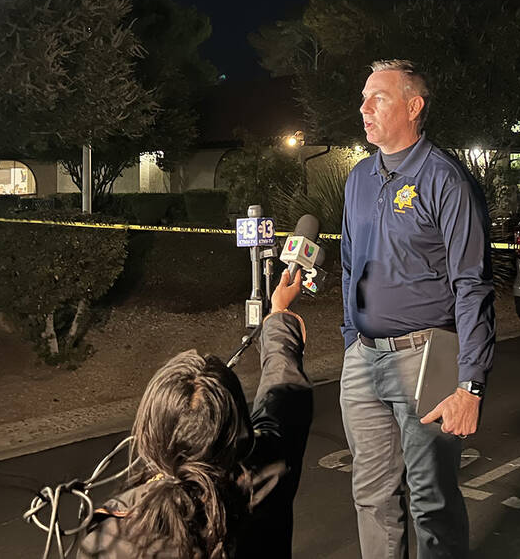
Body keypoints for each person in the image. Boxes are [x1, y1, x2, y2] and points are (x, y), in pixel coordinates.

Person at [340, 59, 496, 558]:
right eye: (364, 97)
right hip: (362, 360)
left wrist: (469, 384)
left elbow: (472, 285)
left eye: (378, 97)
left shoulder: (446, 180)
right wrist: (350, 340)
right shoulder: (359, 180)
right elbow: (349, 265)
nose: (363, 108)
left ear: (413, 106)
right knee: (371, 496)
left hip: (425, 359)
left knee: (432, 500)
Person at [78, 268, 313, 559]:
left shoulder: (113, 528)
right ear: (235, 428)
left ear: (152, 430)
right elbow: (283, 396)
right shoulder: (267, 470)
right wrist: (279, 316)